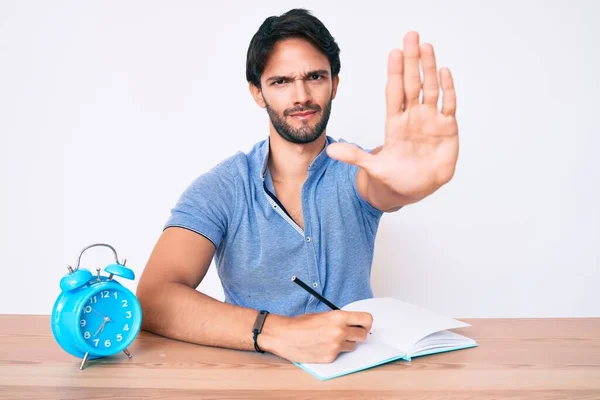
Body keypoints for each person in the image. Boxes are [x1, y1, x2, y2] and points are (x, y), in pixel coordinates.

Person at [136, 8, 459, 364]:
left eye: (315, 76)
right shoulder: (220, 189)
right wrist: (278, 333)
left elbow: (383, 186)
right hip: (252, 378)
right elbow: (154, 299)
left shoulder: (358, 169)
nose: (301, 95)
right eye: (281, 81)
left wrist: (408, 186)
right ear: (257, 92)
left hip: (357, 375)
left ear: (334, 83)